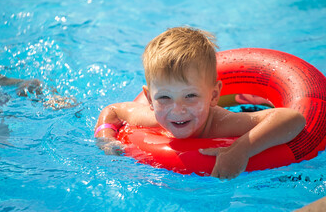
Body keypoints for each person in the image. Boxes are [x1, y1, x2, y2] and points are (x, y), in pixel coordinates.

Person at [95, 27, 306, 179]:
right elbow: (113, 110)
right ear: (150, 99)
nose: (177, 110)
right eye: (165, 98)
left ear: (214, 95)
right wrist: (105, 136)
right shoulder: (153, 118)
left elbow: (293, 118)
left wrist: (241, 149)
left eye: (190, 96)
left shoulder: (223, 123)